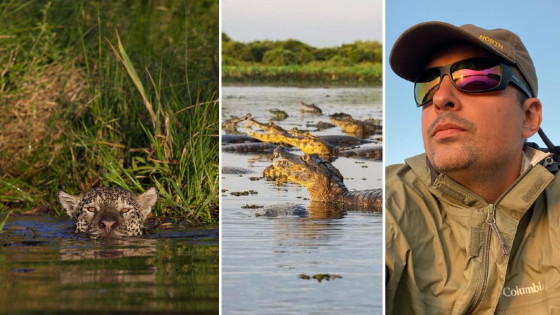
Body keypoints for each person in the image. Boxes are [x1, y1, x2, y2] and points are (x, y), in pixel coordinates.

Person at [385, 21, 560, 314]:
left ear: (529, 117)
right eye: (428, 86)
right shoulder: (389, 201)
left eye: (475, 77)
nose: (440, 98)